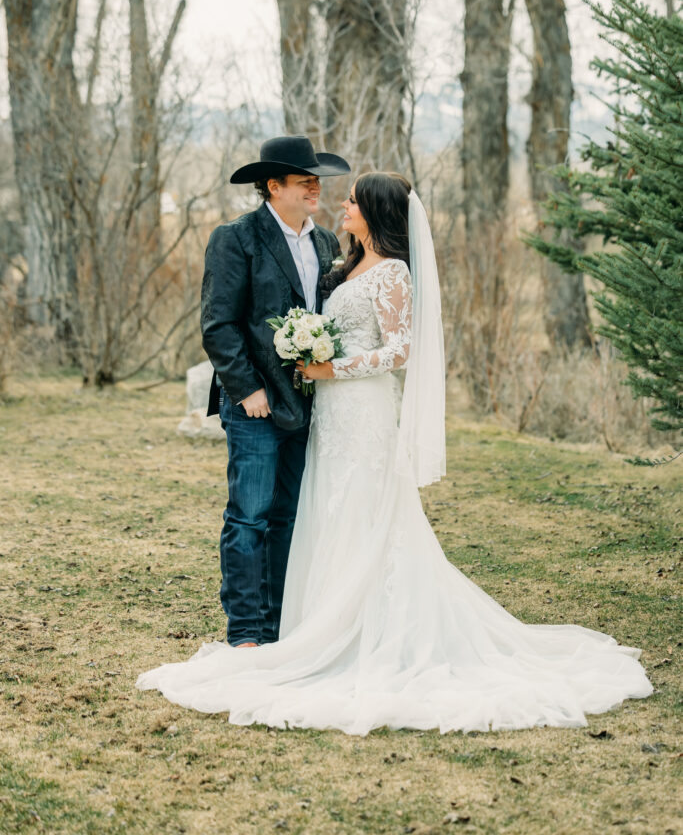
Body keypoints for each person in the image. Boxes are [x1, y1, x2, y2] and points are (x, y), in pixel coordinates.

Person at [138, 172, 652, 735]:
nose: (339, 201)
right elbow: (232, 320)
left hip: (362, 410)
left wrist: (334, 367)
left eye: (352, 199)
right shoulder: (338, 259)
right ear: (274, 186)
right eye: (325, 189)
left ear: (377, 212)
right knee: (317, 511)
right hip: (326, 413)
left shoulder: (390, 270)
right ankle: (295, 628)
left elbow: (400, 349)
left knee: (360, 511)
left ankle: (361, 632)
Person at [200, 135, 349, 648]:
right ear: (272, 186)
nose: (315, 186)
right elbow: (218, 324)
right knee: (249, 516)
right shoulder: (235, 238)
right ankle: (244, 631)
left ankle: (278, 623)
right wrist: (246, 390)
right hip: (254, 405)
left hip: (309, 402)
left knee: (288, 514)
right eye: (303, 179)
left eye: (316, 179)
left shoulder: (326, 243)